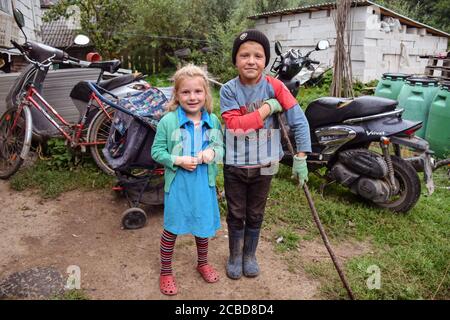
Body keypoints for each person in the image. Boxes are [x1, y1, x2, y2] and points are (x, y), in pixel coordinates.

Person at [220, 29, 312, 279]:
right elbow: (235, 127)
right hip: (235, 164)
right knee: (236, 213)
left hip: (266, 164)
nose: (251, 61)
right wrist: (265, 110)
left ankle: (249, 255)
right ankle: (235, 256)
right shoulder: (229, 90)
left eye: (258, 56)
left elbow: (299, 121)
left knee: (256, 213)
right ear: (236, 60)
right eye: (244, 55)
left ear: (265, 60)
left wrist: (301, 156)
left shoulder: (276, 86)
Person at [151, 64, 224, 295]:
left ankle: (202, 263)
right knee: (172, 228)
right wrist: (178, 160)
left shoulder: (212, 120)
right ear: (177, 94)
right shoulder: (168, 122)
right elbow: (156, 152)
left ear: (205, 94)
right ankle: (165, 271)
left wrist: (212, 153)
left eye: (198, 92)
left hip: (204, 184)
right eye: (186, 92)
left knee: (202, 227)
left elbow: (220, 147)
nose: (192, 97)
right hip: (179, 186)